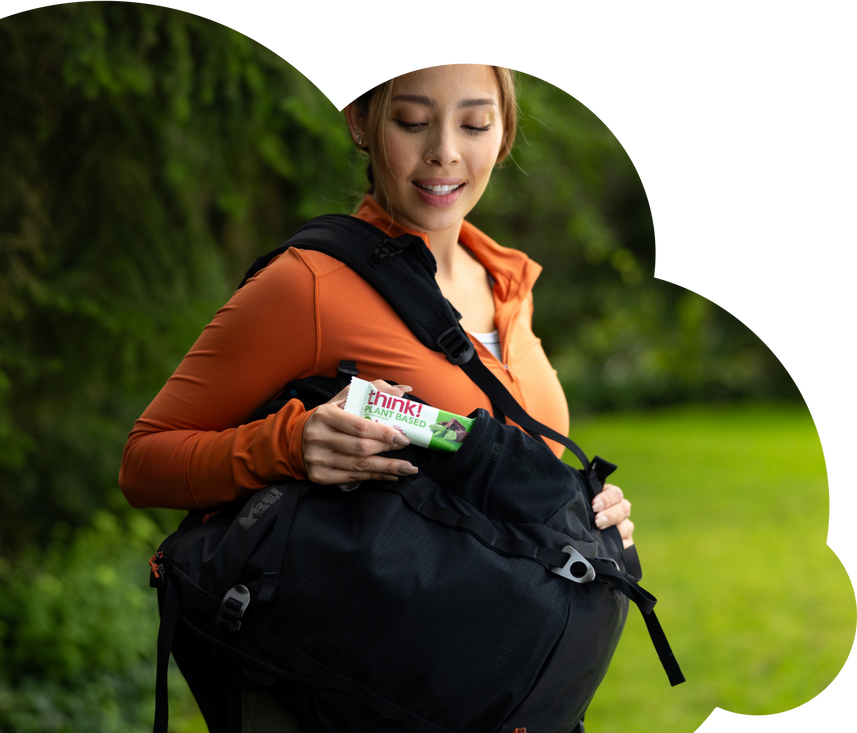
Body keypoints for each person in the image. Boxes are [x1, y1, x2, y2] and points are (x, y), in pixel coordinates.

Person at [120, 61, 634, 733]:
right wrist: (290, 443)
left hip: (500, 687)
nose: (445, 150)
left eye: (474, 122)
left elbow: (511, 471)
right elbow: (144, 461)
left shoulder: (506, 282)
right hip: (361, 694)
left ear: (504, 130)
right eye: (412, 121)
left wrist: (586, 509)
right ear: (360, 120)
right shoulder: (309, 284)